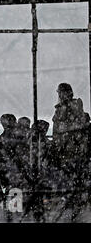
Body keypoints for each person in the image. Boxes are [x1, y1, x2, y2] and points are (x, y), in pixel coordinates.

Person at [51, 83, 90, 221]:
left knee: (73, 176)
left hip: (71, 148)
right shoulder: (63, 108)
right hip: (66, 149)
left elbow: (76, 124)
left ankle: (75, 202)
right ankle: (74, 202)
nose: (60, 96)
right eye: (59, 93)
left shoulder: (74, 104)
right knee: (70, 176)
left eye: (61, 92)